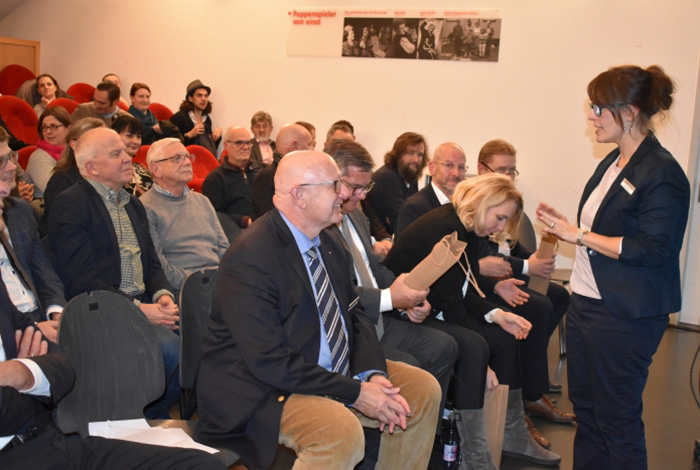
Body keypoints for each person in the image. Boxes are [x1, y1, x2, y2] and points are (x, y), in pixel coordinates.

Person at [195, 150, 441, 470]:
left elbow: (354, 313)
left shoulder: (329, 241)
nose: (344, 194)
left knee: (422, 391)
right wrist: (356, 392)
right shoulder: (251, 258)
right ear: (299, 195)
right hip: (262, 387)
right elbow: (269, 360)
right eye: (334, 185)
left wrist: (372, 373)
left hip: (321, 367)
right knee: (339, 432)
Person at [536, 64, 690, 470]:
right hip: (587, 304)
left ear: (630, 112)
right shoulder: (614, 161)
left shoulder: (662, 172)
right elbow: (605, 227)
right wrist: (568, 227)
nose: (591, 116)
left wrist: (579, 235)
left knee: (616, 420)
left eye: (598, 107)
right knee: (588, 414)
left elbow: (653, 250)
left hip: (624, 315)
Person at [328, 141, 509, 469]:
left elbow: (377, 270)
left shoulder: (355, 217)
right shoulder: (326, 224)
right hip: (352, 326)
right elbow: (339, 293)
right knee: (427, 359)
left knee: (445, 346)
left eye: (366, 187)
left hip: (380, 314)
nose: (362, 196)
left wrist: (408, 297)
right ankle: (389, 449)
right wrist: (393, 298)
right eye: (356, 187)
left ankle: (422, 441)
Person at [385, 174, 563, 467]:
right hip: (402, 313)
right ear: (482, 204)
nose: (501, 227)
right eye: (500, 217)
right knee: (475, 346)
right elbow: (451, 302)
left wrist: (498, 315)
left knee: (504, 337)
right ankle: (474, 455)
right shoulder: (446, 228)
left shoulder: (461, 226)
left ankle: (513, 432)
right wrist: (484, 364)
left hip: (427, 306)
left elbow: (461, 290)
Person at [0, 252, 227, 470]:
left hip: (48, 445)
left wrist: (22, 372)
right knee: (169, 349)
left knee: (203, 465)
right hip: (16, 454)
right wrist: (33, 375)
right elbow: (83, 279)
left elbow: (62, 369)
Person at [48, 127, 180, 419]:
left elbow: (152, 263)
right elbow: (81, 281)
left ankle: (150, 418)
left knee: (203, 339)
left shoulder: (133, 204)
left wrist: (163, 296)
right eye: (116, 153)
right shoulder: (71, 203)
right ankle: (146, 418)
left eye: (125, 151)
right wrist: (139, 310)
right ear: (91, 167)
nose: (128, 157)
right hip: (101, 309)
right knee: (171, 351)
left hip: (143, 302)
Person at [0, 127, 66, 343]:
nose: (13, 167)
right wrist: (34, 329)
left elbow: (42, 269)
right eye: (1, 161)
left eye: (11, 157)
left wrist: (56, 311)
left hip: (40, 315)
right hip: (11, 330)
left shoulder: (20, 210)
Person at [141, 138, 228, 293]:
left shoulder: (202, 200)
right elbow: (158, 267)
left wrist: (225, 278)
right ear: (156, 169)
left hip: (218, 283)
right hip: (183, 289)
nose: (187, 162)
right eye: (177, 158)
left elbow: (224, 248)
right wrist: (199, 284)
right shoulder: (145, 207)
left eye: (187, 157)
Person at [39, 118, 105, 237]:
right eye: (94, 142)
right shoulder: (61, 180)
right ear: (74, 145)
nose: (102, 147)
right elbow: (60, 228)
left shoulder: (108, 175)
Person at [395, 142, 467, 236]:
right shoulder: (414, 209)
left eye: (461, 167)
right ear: (432, 168)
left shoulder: (466, 207)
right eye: (449, 165)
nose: (456, 173)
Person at [367, 131, 428, 235]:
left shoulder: (410, 176)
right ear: (398, 154)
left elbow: (414, 212)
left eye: (420, 155)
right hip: (382, 238)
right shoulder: (388, 177)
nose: (416, 159)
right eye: (411, 153)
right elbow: (401, 219)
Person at [249, 123, 312, 220]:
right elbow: (273, 219)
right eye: (310, 144)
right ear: (295, 145)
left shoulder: (304, 174)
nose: (312, 150)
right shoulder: (266, 178)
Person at [202, 126, 259, 232]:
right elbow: (213, 214)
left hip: (264, 226)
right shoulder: (215, 178)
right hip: (233, 230)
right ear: (226, 146)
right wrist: (245, 221)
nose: (246, 147)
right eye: (239, 143)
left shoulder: (262, 171)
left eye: (248, 143)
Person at [26, 107, 72, 199]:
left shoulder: (76, 151)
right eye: (44, 127)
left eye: (54, 127)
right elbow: (55, 192)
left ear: (69, 128)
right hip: (48, 204)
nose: (48, 132)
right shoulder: (39, 157)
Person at [169, 80, 222, 154]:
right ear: (190, 98)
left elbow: (209, 149)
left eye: (206, 96)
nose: (204, 99)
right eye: (199, 95)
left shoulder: (207, 119)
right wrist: (189, 135)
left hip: (201, 158)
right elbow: (170, 145)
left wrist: (218, 134)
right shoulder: (179, 117)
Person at [111, 114, 152, 196]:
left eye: (138, 137)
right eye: (129, 136)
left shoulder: (141, 169)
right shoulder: (109, 171)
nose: (136, 141)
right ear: (115, 136)